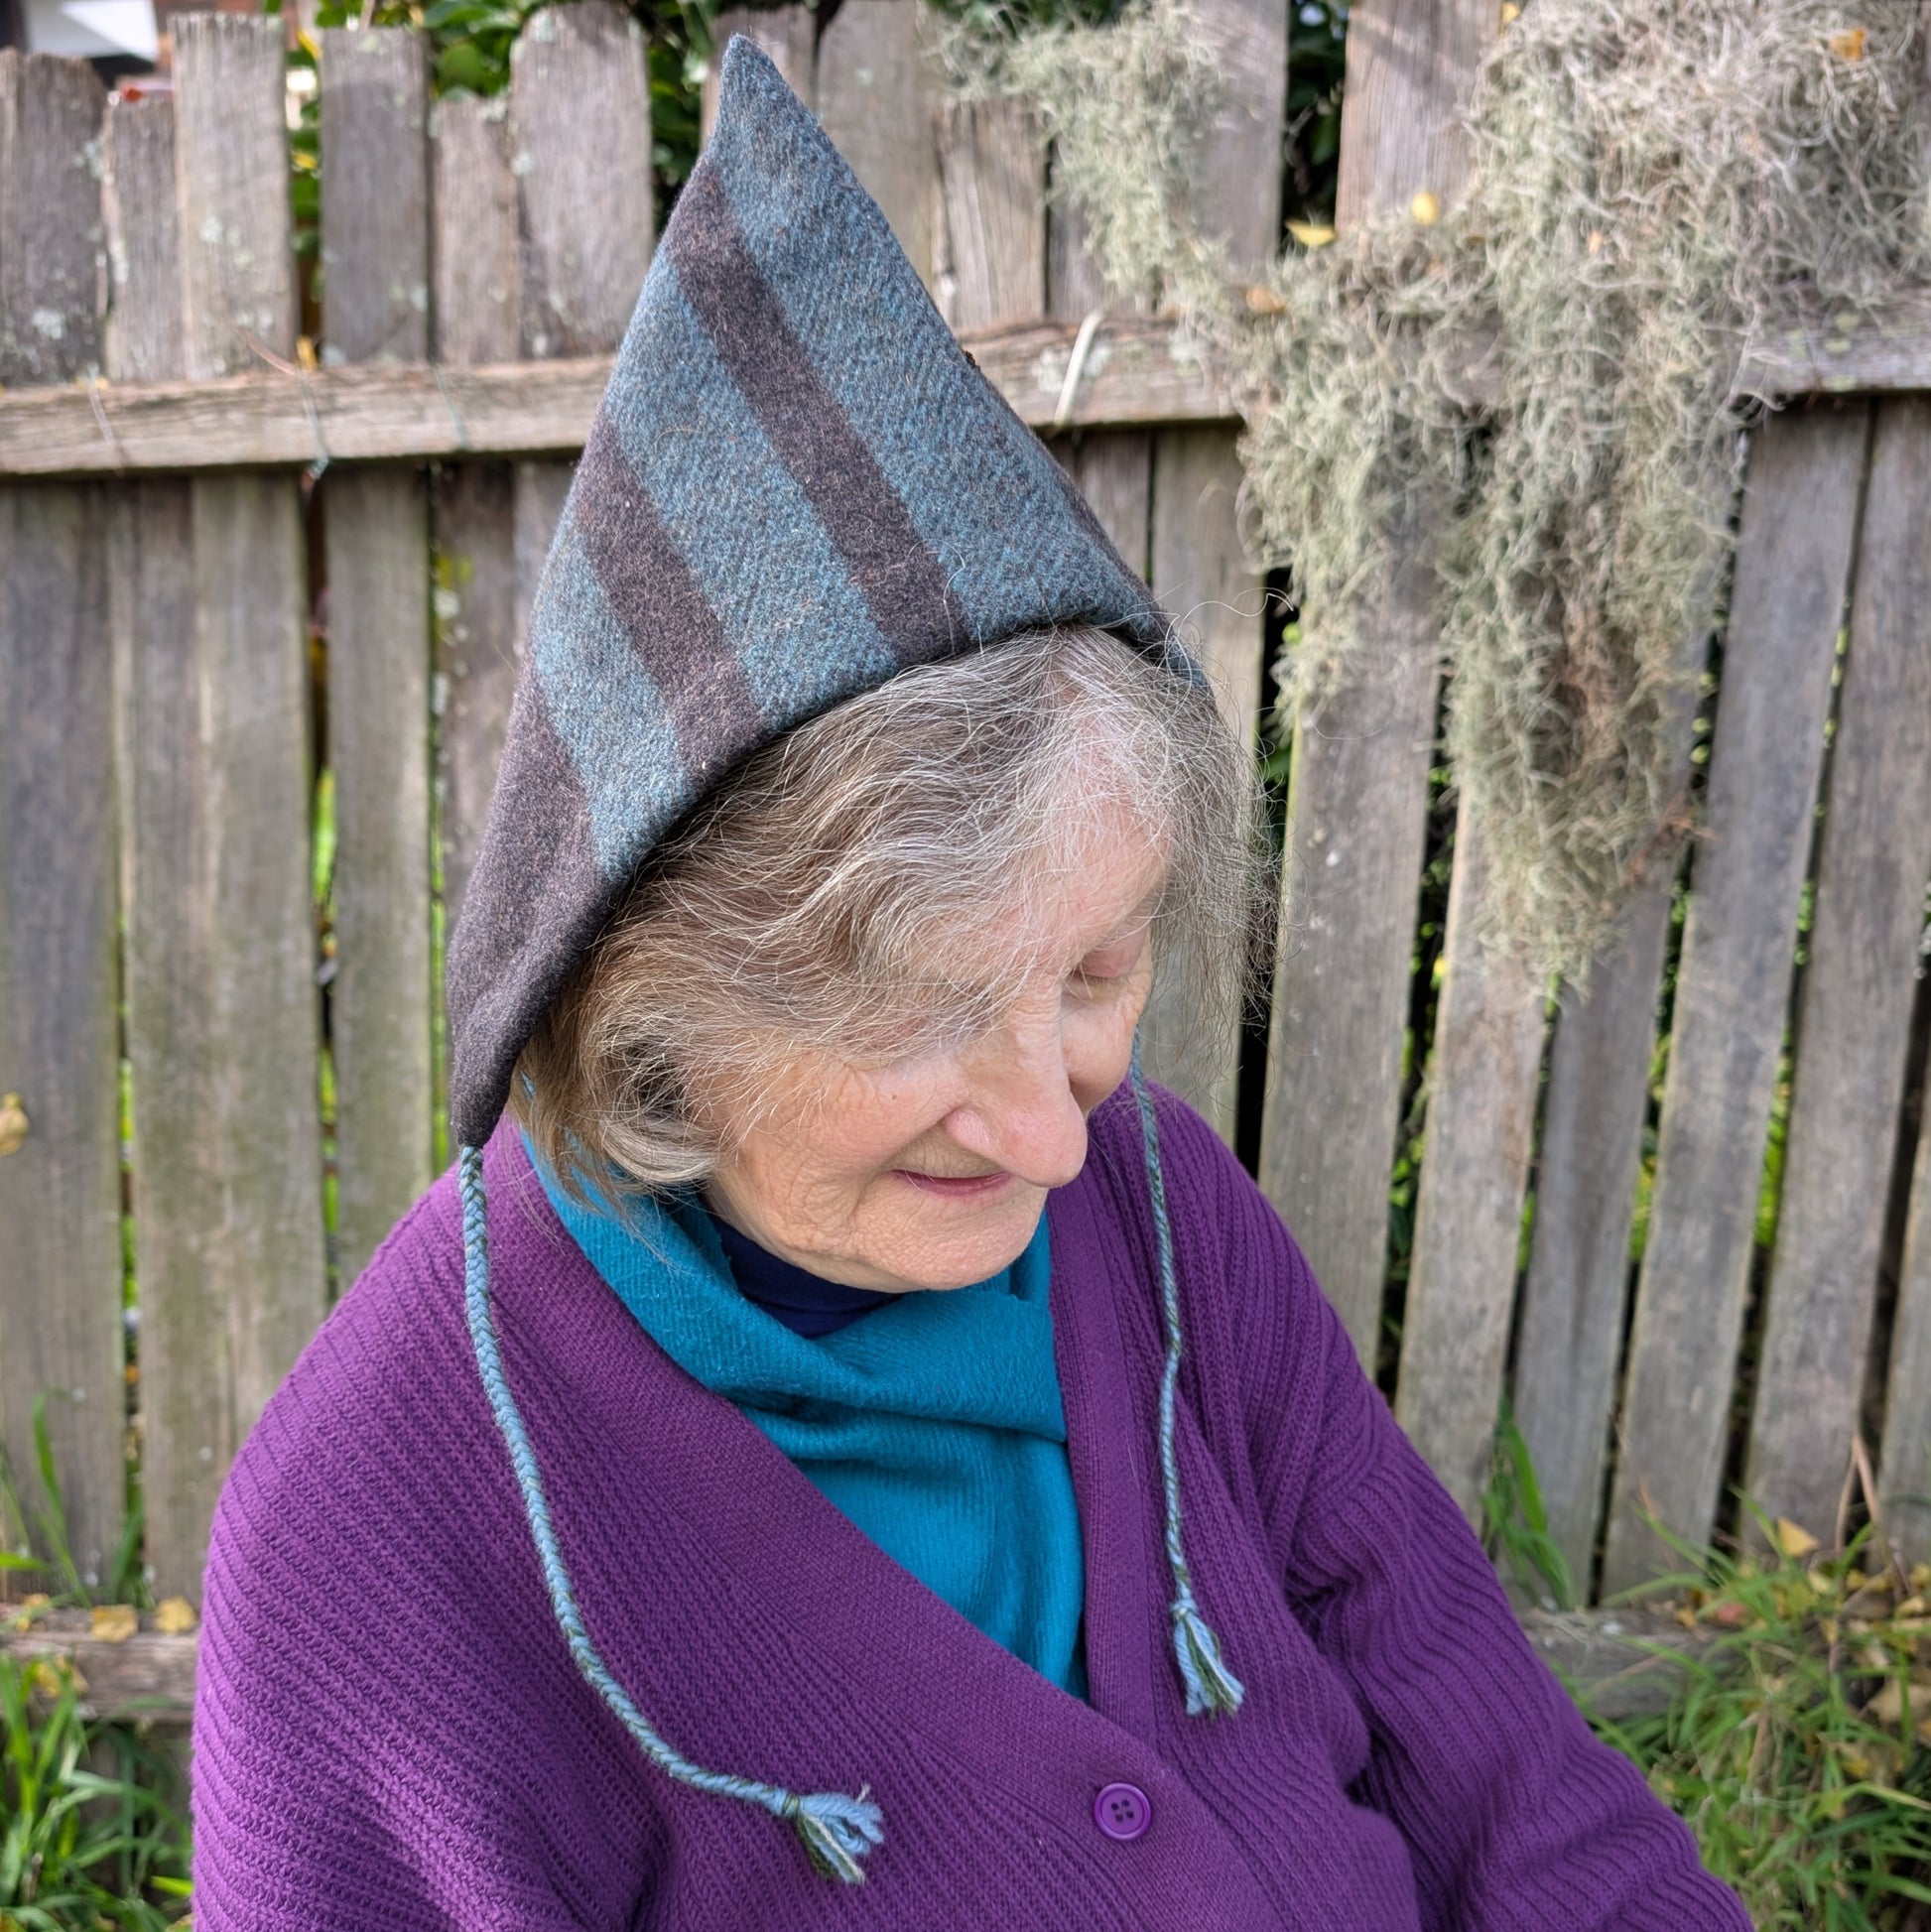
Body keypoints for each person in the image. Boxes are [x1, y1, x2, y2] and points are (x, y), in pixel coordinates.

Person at [191, 38, 1750, 1931]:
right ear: (651, 1015)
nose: (1053, 1133)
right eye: (925, 1010)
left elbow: (1511, 1787)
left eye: (1096, 966)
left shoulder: (1163, 1209)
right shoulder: (385, 1518)